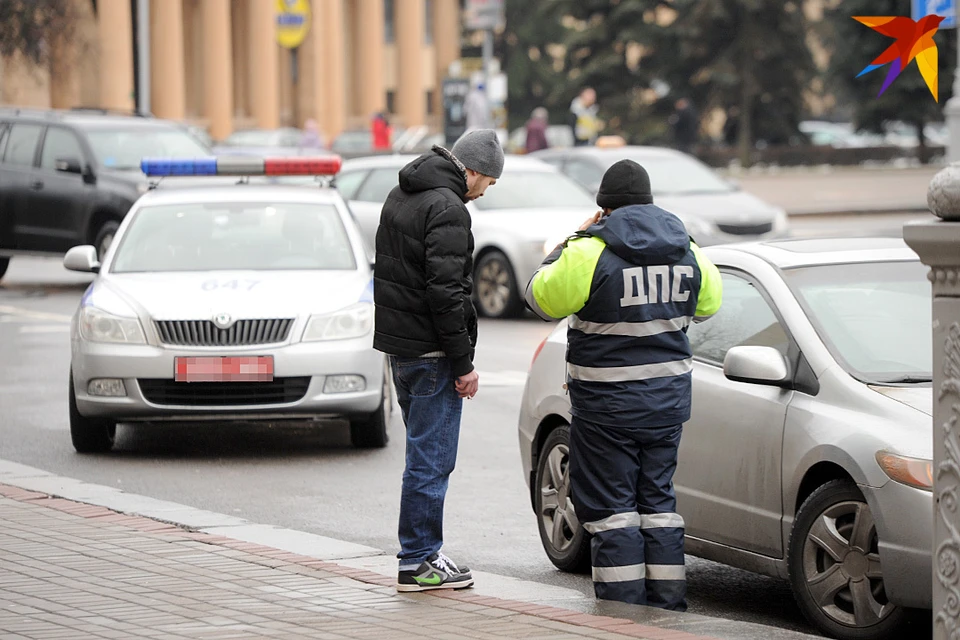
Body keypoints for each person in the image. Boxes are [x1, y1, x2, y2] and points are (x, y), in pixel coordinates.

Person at [523, 159, 722, 611]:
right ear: (650, 203)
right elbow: (710, 303)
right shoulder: (685, 246)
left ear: (604, 209)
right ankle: (668, 608)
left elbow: (539, 297)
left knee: (613, 513)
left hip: (606, 409)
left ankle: (623, 616)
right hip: (667, 406)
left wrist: (568, 243)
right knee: (658, 505)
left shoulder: (588, 250)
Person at [373, 129, 504, 592]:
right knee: (431, 463)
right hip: (432, 356)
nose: (483, 192)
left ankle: (424, 554)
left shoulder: (400, 193)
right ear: (469, 170)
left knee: (421, 458)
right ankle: (418, 560)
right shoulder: (448, 208)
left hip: (402, 350)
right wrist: (463, 363)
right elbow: (446, 293)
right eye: (485, 181)